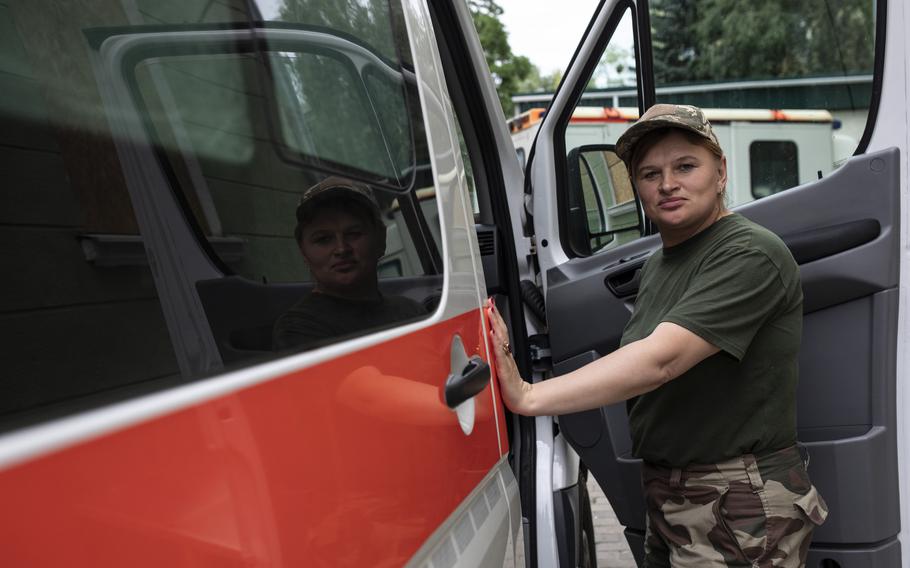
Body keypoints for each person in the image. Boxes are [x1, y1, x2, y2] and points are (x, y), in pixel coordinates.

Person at [487, 104, 828, 567]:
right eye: (650, 174)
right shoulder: (661, 264)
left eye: (685, 166)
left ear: (720, 171)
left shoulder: (749, 253)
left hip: (737, 501)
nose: (668, 184)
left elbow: (659, 361)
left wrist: (527, 395)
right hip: (673, 492)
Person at [273, 176, 425, 351]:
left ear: (381, 239)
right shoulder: (298, 328)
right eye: (323, 239)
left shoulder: (411, 311)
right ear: (303, 252)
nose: (341, 248)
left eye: (354, 233)